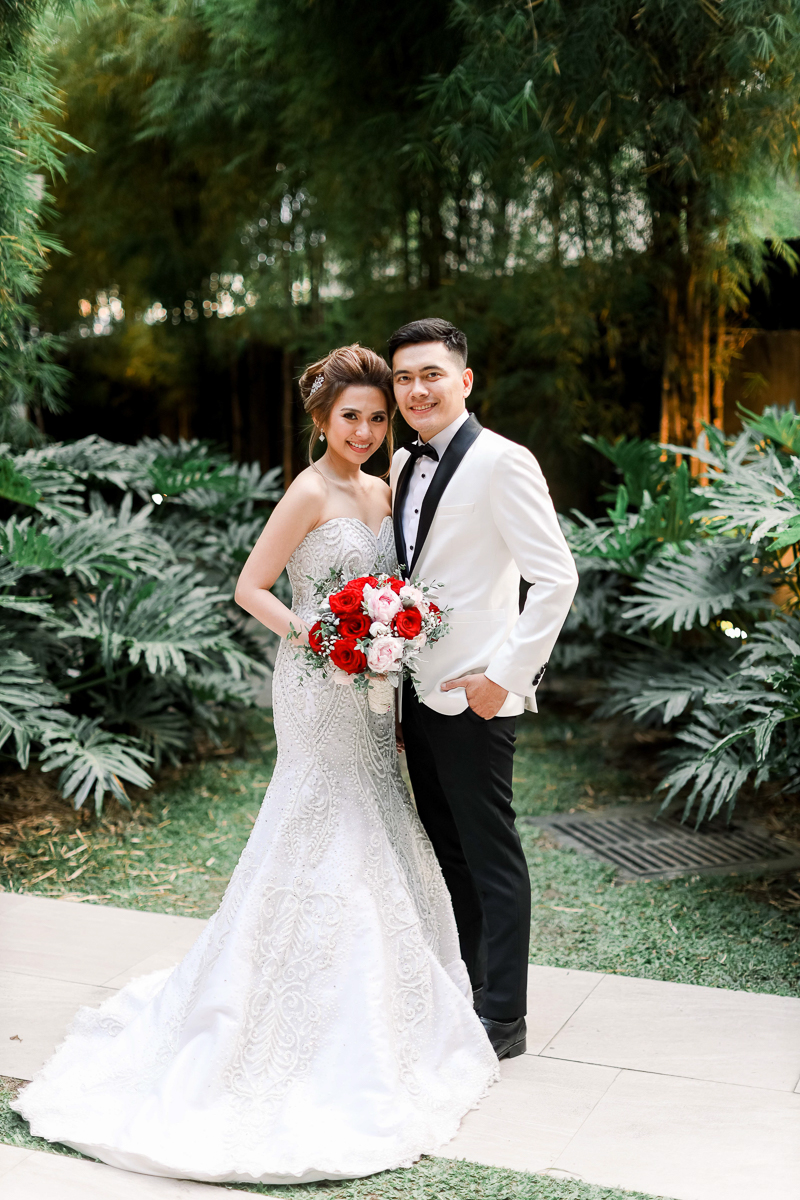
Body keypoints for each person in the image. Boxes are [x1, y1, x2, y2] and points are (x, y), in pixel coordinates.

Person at [12, 344, 498, 1186]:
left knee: (380, 811)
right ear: (321, 420)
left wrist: (387, 643)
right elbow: (252, 587)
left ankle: (379, 997)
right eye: (350, 417)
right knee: (322, 817)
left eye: (376, 418)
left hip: (373, 686)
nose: (365, 431)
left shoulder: (386, 491)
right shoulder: (308, 491)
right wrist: (326, 636)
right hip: (316, 680)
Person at [389, 318, 579, 1060]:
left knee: (490, 853)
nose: (416, 390)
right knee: (450, 854)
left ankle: (505, 1017)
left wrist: (504, 680)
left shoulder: (504, 461)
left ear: (464, 380)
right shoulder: (401, 464)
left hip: (476, 695)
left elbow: (555, 578)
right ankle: (470, 991)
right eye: (404, 378)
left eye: (430, 374)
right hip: (413, 692)